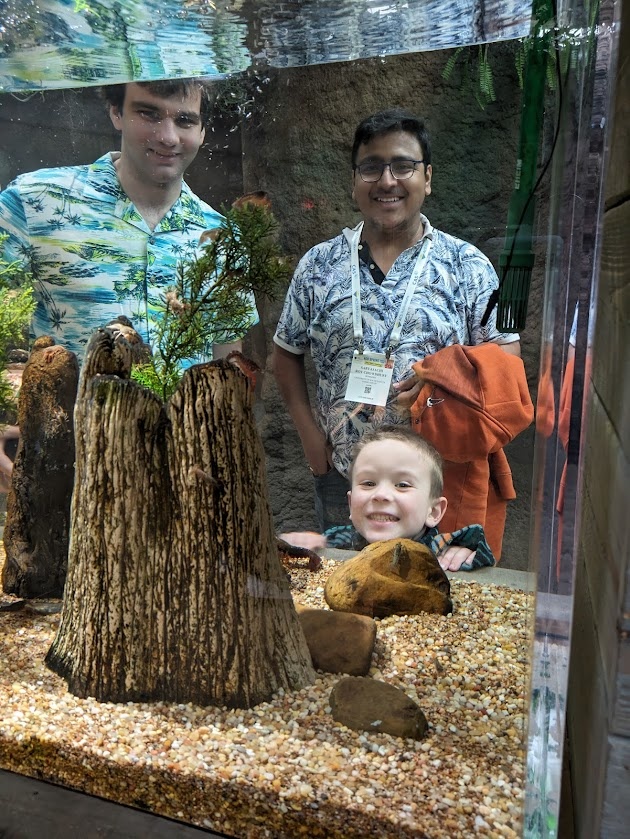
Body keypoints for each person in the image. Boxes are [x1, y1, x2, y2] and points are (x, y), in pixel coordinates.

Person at [273, 108, 521, 534]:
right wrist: (310, 438)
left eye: (403, 166)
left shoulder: (468, 266)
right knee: (343, 589)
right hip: (346, 479)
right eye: (371, 167)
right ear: (354, 181)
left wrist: (448, 377)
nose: (387, 181)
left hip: (437, 481)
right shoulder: (319, 264)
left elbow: (508, 359)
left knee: (431, 593)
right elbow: (285, 352)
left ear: (427, 177)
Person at [0, 78, 258, 361]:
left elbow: (227, 365)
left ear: (203, 132)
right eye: (149, 114)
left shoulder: (224, 238)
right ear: (115, 112)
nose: (168, 137)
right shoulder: (32, 202)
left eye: (185, 120)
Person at [280, 425, 496, 572]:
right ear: (350, 502)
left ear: (433, 511)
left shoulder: (439, 549)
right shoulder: (341, 540)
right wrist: (303, 545)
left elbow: (482, 555)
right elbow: (308, 552)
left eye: (402, 485)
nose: (381, 495)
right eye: (368, 483)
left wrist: (463, 553)